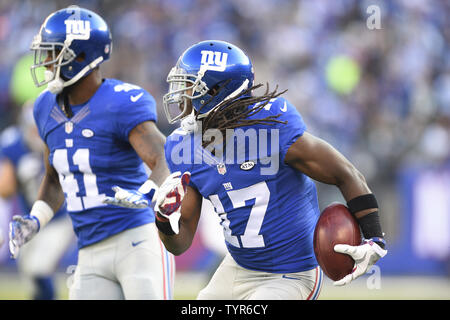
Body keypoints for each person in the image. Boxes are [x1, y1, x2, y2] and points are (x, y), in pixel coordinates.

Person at [152, 40, 388, 300]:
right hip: (239, 267)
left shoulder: (271, 126)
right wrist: (164, 221)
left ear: (216, 91)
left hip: (292, 272)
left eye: (190, 87)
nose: (181, 96)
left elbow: (345, 173)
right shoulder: (182, 145)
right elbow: (181, 243)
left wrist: (374, 238)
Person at [8, 6, 174, 300]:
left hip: (137, 240)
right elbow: (54, 178)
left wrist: (147, 193)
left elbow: (164, 159)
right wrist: (36, 219)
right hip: (89, 250)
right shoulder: (45, 107)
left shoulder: (122, 102)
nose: (46, 62)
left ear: (80, 57)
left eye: (53, 53)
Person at [0, 101, 75, 300]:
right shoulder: (14, 144)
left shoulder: (60, 141)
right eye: (33, 129)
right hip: (29, 220)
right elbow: (5, 189)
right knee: (30, 278)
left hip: (58, 218)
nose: (37, 133)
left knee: (39, 269)